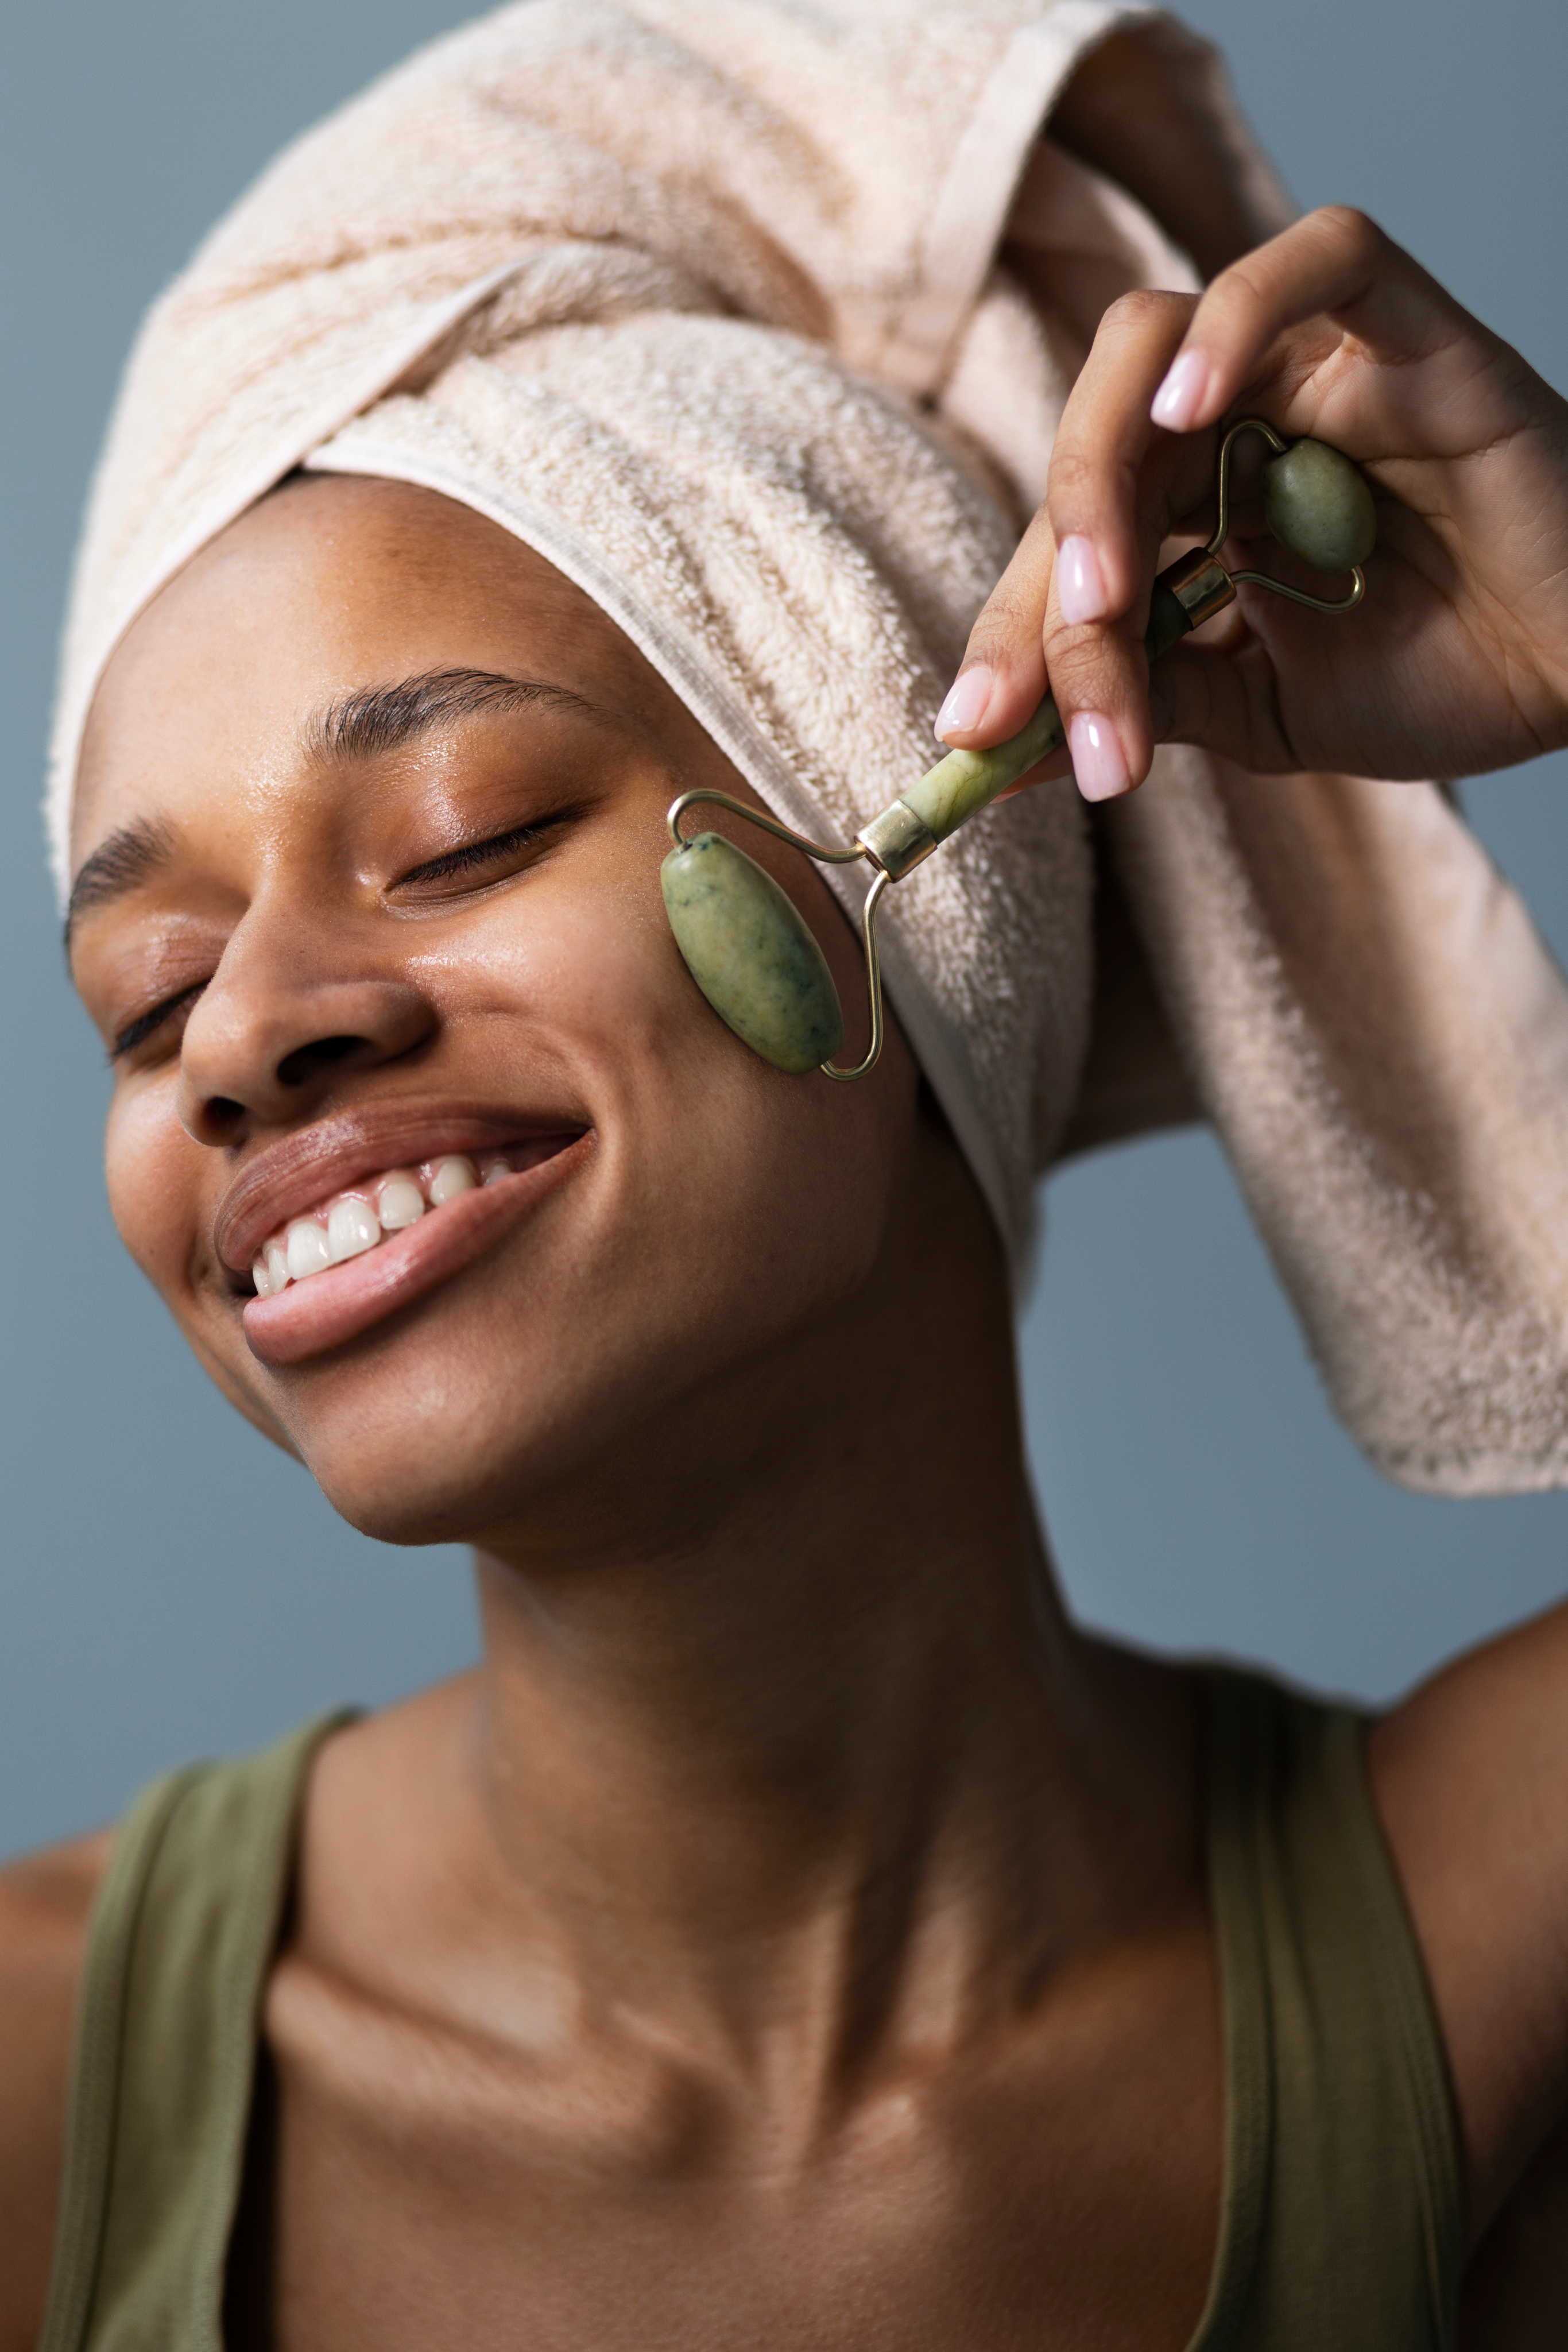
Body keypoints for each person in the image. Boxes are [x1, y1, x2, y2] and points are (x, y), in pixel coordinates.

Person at [4, 6, 1568, 2346]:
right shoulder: (29, 2093)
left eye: (462, 836)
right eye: (146, 993)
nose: (237, 1033)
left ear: (941, 885)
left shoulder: (1497, 1967)